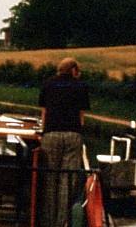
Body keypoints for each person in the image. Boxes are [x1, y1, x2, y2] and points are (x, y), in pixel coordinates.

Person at [39, 57, 90, 227]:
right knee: (67, 181)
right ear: (74, 70)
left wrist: (43, 132)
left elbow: (44, 113)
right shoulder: (81, 86)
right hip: (72, 135)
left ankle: (47, 222)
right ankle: (61, 223)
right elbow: (81, 117)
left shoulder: (48, 84)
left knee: (50, 179)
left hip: (51, 134)